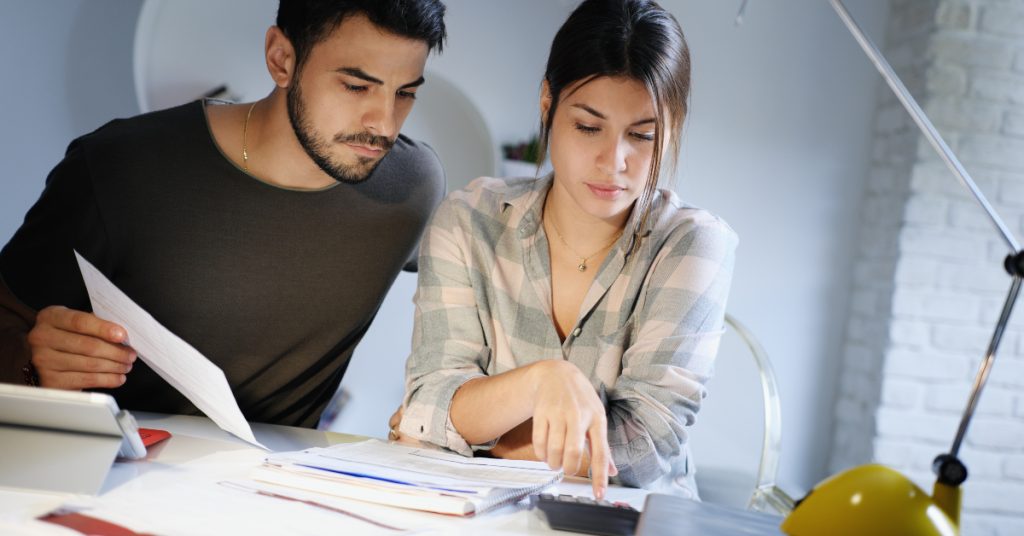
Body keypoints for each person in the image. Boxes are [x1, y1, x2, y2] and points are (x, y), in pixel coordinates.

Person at [0, 0, 447, 429]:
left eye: (405, 93)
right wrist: (31, 366)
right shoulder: (120, 167)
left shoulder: (412, 188)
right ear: (281, 59)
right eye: (356, 86)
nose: (384, 124)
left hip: (279, 491)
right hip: (114, 475)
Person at [394, 0, 737, 500]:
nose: (613, 161)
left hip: (628, 522)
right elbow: (431, 397)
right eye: (588, 126)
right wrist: (540, 382)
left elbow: (644, 449)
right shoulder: (470, 220)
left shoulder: (692, 245)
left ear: (674, 127)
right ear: (547, 103)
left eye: (643, 136)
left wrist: (471, 435)